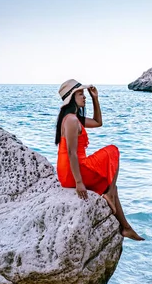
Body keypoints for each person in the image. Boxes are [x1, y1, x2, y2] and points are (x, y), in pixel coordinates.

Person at [55, 79, 144, 241]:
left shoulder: (72, 118)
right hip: (73, 172)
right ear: (71, 97)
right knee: (113, 150)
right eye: (80, 94)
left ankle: (126, 228)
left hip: (68, 172)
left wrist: (95, 98)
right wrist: (79, 182)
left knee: (112, 187)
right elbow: (71, 153)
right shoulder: (72, 120)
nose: (84, 97)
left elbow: (98, 122)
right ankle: (110, 196)